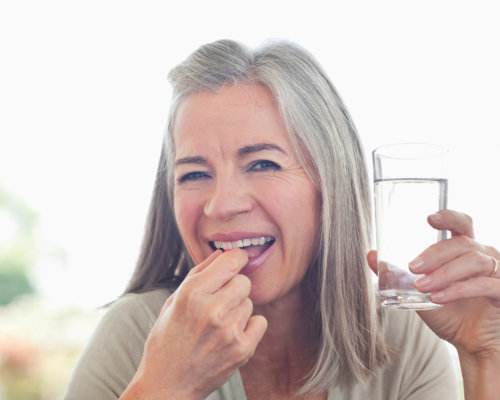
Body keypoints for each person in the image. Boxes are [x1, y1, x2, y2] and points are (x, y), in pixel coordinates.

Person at [64, 39, 500, 400]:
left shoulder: (404, 338)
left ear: (330, 184)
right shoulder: (137, 335)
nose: (221, 205)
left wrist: (486, 357)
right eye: (195, 174)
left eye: (263, 164)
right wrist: (165, 387)